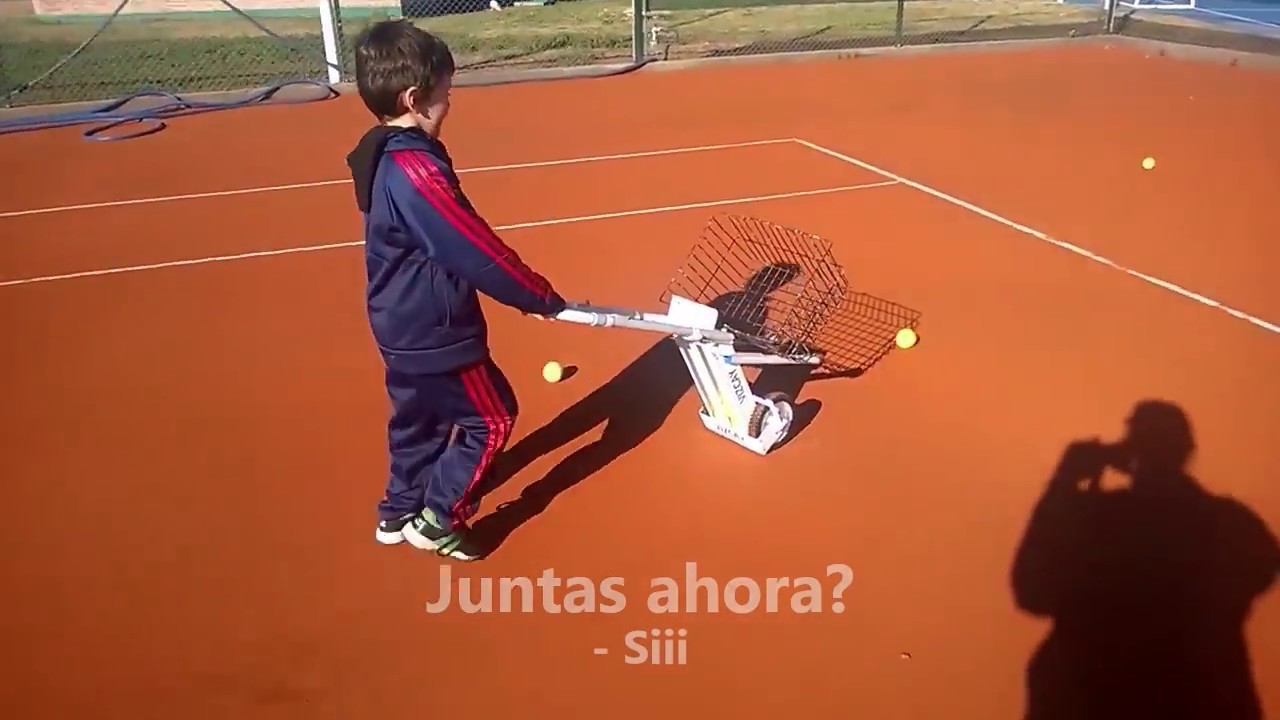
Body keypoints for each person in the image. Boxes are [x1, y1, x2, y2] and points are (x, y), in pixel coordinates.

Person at [345, 19, 567, 561]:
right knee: (491, 418)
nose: (450, 106)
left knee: (418, 421)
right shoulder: (416, 171)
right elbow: (474, 248)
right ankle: (440, 517)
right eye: (445, 97)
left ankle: (399, 510)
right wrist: (535, 295)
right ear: (415, 98)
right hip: (439, 332)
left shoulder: (379, 153)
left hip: (398, 325)